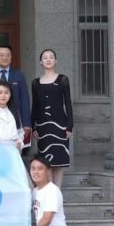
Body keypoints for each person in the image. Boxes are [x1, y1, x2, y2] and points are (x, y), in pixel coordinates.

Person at [32, 49, 74, 187]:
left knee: (59, 161)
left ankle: (58, 192)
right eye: (45, 57)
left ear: (56, 60)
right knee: (46, 161)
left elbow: (68, 103)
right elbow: (35, 105)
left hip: (60, 125)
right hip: (43, 126)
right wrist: (33, 126)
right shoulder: (35, 83)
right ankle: (50, 192)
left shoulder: (63, 79)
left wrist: (69, 126)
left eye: (51, 57)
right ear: (40, 62)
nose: (48, 60)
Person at [0, 45, 32, 141]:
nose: (5, 58)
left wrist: (26, 123)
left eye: (7, 55)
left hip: (15, 118)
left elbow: (24, 99)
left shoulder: (19, 75)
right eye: (1, 55)